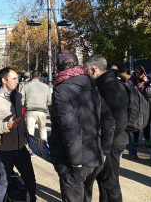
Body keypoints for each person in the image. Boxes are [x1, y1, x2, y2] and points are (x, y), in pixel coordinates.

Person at [49, 51, 115, 202]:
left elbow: (71, 130)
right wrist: (103, 151)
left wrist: (76, 163)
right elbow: (109, 121)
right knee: (86, 196)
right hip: (92, 157)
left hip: (74, 160)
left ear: (58, 70)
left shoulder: (62, 90)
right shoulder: (91, 87)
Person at [0, 67, 37, 202]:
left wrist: (24, 130)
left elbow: (21, 118)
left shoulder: (18, 96)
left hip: (20, 148)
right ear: (4, 80)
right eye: (13, 79)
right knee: (4, 183)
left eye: (17, 78)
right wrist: (7, 126)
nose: (17, 81)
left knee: (30, 178)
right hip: (3, 150)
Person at [84, 55, 128, 202]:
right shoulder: (106, 84)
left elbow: (120, 121)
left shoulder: (109, 86)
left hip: (111, 143)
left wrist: (105, 146)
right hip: (108, 142)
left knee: (110, 182)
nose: (85, 74)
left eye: (86, 71)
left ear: (94, 69)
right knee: (103, 181)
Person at [21, 70, 51, 143]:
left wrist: (25, 104)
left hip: (30, 110)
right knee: (43, 129)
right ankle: (44, 147)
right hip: (42, 110)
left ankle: (31, 149)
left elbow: (21, 99)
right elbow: (49, 100)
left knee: (30, 131)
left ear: (31, 76)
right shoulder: (46, 86)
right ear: (39, 76)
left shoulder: (25, 86)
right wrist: (45, 104)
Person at [127, 66, 151, 149]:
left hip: (146, 103)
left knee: (146, 123)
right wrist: (137, 87)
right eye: (139, 75)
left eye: (142, 75)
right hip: (136, 104)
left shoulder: (147, 78)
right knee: (136, 122)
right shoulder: (131, 80)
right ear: (136, 73)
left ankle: (147, 139)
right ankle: (136, 140)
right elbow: (130, 91)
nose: (141, 76)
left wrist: (146, 81)